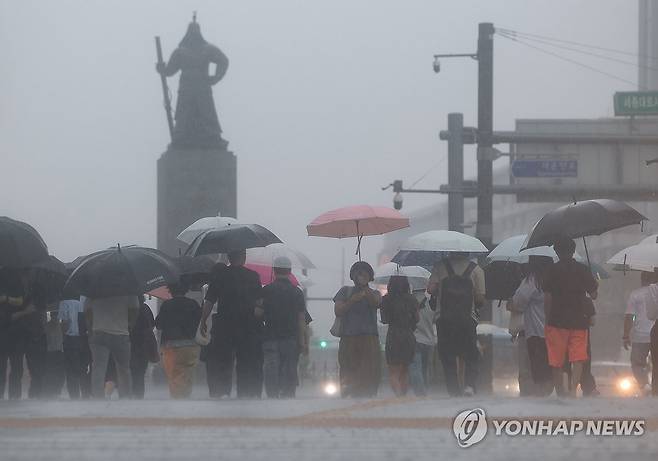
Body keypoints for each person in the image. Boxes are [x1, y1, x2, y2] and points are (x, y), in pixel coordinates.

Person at [200, 250, 264, 398]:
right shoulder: (253, 276)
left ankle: (222, 391)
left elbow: (209, 300)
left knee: (223, 360)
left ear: (229, 257)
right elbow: (259, 303)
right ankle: (246, 391)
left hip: (224, 324)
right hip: (247, 325)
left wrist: (203, 320)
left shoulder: (220, 276)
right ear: (244, 257)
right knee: (246, 361)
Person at [543, 236, 598, 398]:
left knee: (556, 359)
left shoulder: (551, 270)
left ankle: (561, 391)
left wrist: (547, 318)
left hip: (556, 319)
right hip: (579, 320)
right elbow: (594, 295)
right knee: (579, 357)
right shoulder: (583, 269)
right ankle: (573, 389)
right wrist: (594, 284)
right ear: (573, 250)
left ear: (557, 252)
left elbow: (548, 297)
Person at [428, 253, 485, 397]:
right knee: (471, 354)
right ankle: (469, 385)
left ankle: (453, 390)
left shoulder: (440, 267)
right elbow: (480, 298)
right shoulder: (476, 270)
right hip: (467, 320)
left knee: (447, 356)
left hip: (444, 319)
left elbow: (430, 289)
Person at [259, 256, 307, 398]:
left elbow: (258, 313)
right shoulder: (297, 292)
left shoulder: (266, 290)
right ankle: (288, 394)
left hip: (270, 336)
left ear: (274, 270)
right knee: (289, 367)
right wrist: (303, 341)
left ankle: (272, 395)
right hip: (290, 337)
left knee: (271, 368)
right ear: (290, 271)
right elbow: (301, 318)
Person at [333, 261, 382, 398]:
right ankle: (348, 395)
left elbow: (376, 303)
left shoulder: (374, 293)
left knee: (369, 370)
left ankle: (368, 396)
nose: (360, 276)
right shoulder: (345, 291)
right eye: (358, 273)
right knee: (348, 369)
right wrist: (352, 300)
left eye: (364, 273)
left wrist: (365, 287)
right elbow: (338, 310)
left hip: (369, 338)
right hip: (349, 338)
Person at [511, 256, 554, 396]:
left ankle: (533, 398)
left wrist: (510, 305)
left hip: (535, 332)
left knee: (531, 369)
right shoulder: (555, 279)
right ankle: (547, 394)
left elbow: (518, 302)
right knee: (550, 368)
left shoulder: (533, 280)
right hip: (555, 331)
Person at [84, 294, 140, 399]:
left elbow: (87, 310)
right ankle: (125, 396)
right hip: (121, 332)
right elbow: (135, 309)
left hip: (98, 332)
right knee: (123, 368)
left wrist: (91, 328)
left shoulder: (94, 288)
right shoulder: (128, 289)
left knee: (98, 367)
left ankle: (98, 397)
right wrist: (130, 325)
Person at [155, 282, 201, 399]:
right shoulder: (193, 304)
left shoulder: (167, 305)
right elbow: (200, 322)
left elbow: (159, 325)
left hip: (171, 346)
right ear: (186, 290)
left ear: (170, 290)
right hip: (190, 345)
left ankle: (177, 400)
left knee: (173, 374)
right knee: (187, 373)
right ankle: (186, 397)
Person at [380, 276, 419, 397]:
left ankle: (397, 395)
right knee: (405, 370)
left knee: (394, 371)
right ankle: (403, 395)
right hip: (408, 335)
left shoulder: (386, 299)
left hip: (393, 335)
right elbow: (417, 318)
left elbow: (384, 319)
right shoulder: (412, 299)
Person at [623, 271, 658, 392]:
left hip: (640, 336)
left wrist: (626, 336)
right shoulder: (655, 292)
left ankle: (644, 384)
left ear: (642, 279)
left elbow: (629, 316)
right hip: (655, 333)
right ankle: (655, 389)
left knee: (637, 363)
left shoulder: (635, 294)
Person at [0, 269, 29, 399]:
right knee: (13, 367)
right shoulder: (17, 279)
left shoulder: (16, 280)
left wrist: (6, 299)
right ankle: (13, 397)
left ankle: (13, 397)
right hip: (12, 332)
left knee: (14, 367)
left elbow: (21, 301)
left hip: (15, 332)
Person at [58, 294, 91, 399]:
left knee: (71, 370)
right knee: (83, 369)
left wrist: (62, 334)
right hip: (84, 338)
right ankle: (85, 394)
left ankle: (74, 396)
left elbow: (65, 323)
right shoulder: (86, 299)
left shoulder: (64, 302)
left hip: (70, 339)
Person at [408, 288, 437, 397]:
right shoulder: (431, 302)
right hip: (429, 340)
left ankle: (420, 394)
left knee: (416, 368)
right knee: (426, 369)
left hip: (414, 338)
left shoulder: (409, 301)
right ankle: (426, 391)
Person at [130, 296, 157, 399]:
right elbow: (152, 325)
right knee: (140, 371)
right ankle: (139, 394)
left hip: (130, 341)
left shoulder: (128, 308)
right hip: (143, 343)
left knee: (130, 369)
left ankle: (130, 393)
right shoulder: (145, 308)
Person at [43, 310, 66, 398]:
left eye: (56, 315)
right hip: (50, 352)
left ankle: (57, 390)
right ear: (51, 316)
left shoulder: (61, 326)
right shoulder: (47, 326)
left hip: (59, 352)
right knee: (51, 372)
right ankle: (51, 390)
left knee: (59, 372)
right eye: (54, 315)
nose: (55, 317)